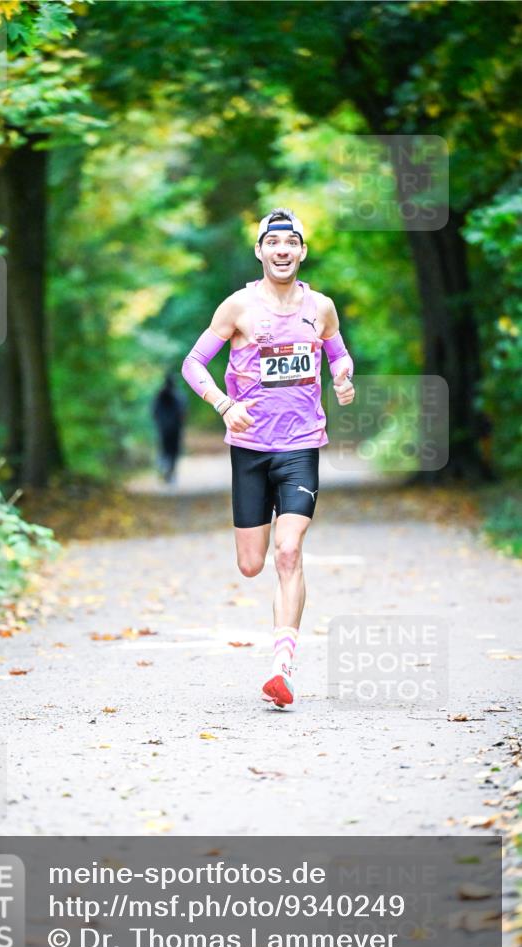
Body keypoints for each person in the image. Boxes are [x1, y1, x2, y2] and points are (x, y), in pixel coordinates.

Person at [181, 208, 355, 708]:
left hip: (301, 443)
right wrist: (223, 404)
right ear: (259, 251)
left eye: (291, 242)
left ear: (302, 251)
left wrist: (343, 376)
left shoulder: (320, 307)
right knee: (253, 563)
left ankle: (282, 664)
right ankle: (280, 652)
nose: (282, 250)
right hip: (250, 449)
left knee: (288, 551)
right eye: (273, 242)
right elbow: (193, 363)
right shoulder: (237, 307)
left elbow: (338, 353)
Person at [152, 373, 186, 483]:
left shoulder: (158, 395)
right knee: (173, 452)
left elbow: (154, 412)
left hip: (163, 429)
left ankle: (163, 468)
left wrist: (160, 423)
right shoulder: (179, 396)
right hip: (175, 430)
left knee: (164, 450)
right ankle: (170, 474)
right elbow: (182, 413)